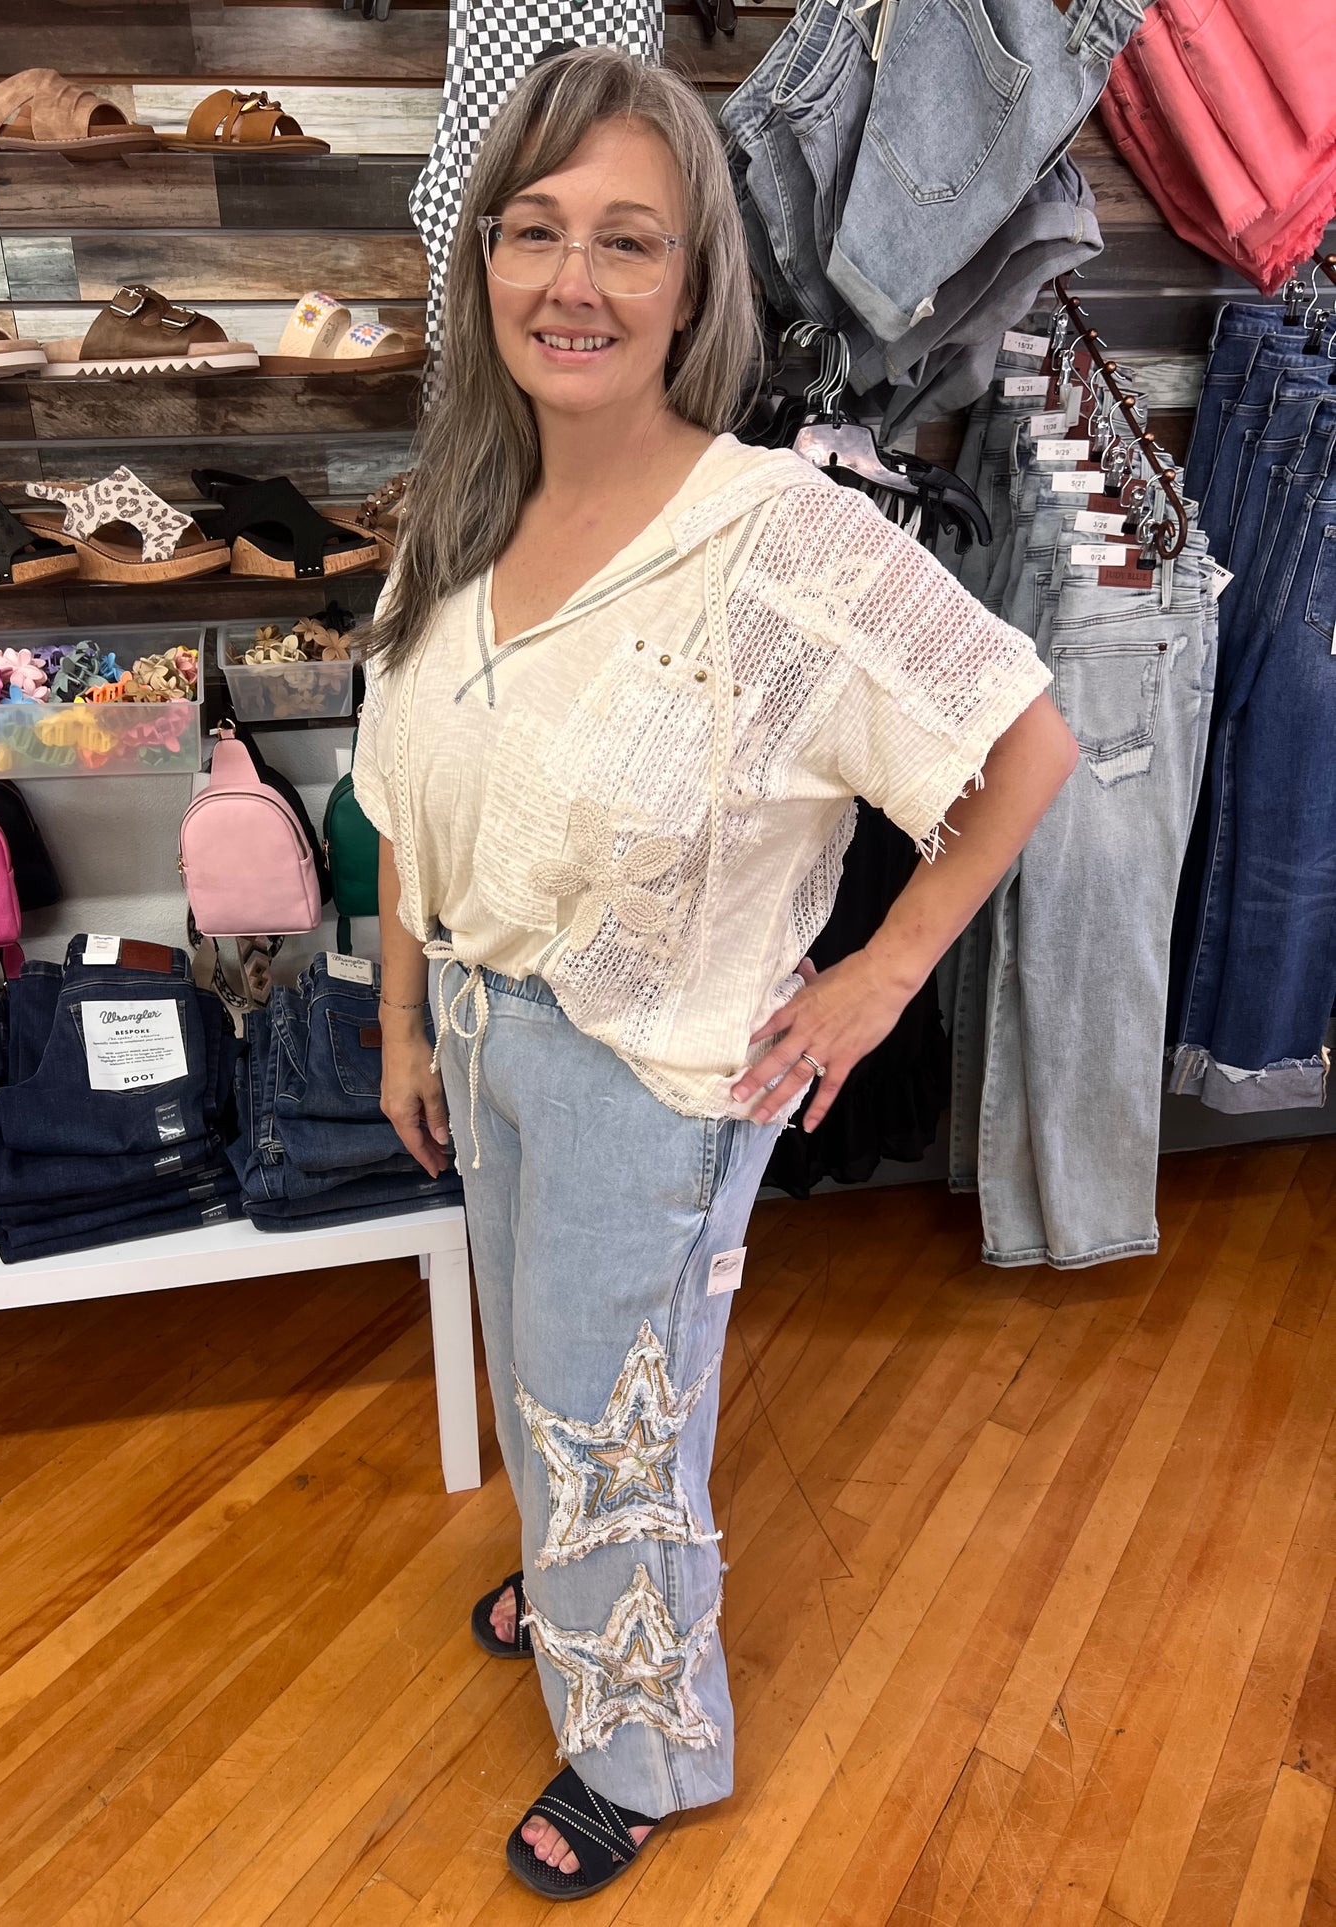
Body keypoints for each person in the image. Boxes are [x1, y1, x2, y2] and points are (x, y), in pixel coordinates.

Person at [353, 46, 1076, 1903]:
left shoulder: (779, 536)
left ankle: (642, 1747)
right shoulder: (464, 506)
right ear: (482, 260)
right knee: (542, 1364)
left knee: (617, 1414)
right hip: (483, 1024)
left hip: (651, 1072)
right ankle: (573, 1585)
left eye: (628, 239)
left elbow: (1025, 743)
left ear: (692, 285)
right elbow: (411, 783)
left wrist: (878, 978)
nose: (572, 281)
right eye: (534, 232)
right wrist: (402, 1016)